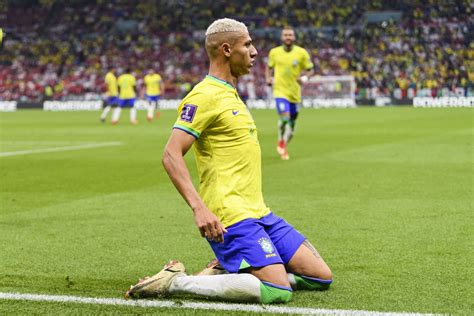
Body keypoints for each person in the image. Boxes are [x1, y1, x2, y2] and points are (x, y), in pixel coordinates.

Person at [125, 18, 332, 304]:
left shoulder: (231, 93)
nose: (255, 51)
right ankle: (176, 281)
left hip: (259, 212)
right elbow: (170, 155)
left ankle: (232, 269)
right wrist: (200, 208)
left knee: (319, 277)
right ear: (226, 49)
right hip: (230, 215)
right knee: (277, 291)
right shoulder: (204, 95)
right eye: (247, 44)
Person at [265, 26, 314, 160]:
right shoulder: (274, 52)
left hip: (295, 93)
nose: (288, 37)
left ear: (294, 37)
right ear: (282, 37)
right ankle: (281, 140)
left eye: (290, 35)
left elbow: (310, 70)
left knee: (291, 127)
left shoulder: (302, 53)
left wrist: (304, 77)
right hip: (280, 90)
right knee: (285, 118)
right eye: (285, 35)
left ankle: (283, 144)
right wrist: (268, 78)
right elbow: (269, 68)